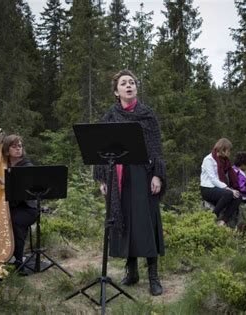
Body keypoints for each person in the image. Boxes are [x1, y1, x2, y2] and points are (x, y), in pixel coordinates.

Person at [94, 70, 166, 296]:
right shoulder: (110, 115)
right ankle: (132, 272)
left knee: (146, 221)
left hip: (143, 174)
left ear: (136, 88)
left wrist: (157, 175)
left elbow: (156, 147)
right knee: (126, 222)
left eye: (131, 83)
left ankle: (153, 276)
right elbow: (101, 148)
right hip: (119, 176)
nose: (128, 86)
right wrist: (103, 178)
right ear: (117, 91)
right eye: (123, 83)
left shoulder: (147, 115)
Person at [0, 134, 39, 269]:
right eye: (14, 146)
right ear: (6, 150)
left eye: (20, 146)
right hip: (12, 206)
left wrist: (3, 182)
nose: (18, 149)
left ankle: (18, 261)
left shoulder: (27, 165)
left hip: (27, 208)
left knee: (15, 221)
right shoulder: (3, 164)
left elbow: (22, 188)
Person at [200, 138, 242, 227]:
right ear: (222, 149)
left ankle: (223, 221)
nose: (229, 153)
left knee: (238, 197)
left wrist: (231, 189)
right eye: (228, 150)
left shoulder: (224, 161)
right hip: (207, 188)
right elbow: (213, 179)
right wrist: (229, 189)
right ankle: (212, 217)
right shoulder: (209, 160)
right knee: (229, 194)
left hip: (219, 188)